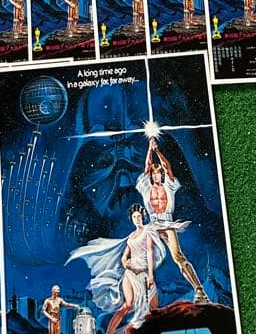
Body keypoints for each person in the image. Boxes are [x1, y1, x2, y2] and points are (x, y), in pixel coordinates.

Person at [68, 206, 165, 334]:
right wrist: (126, 263)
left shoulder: (147, 232)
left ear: (143, 217)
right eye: (134, 217)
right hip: (130, 274)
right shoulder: (131, 236)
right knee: (128, 305)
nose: (137, 219)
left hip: (144, 274)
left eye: (139, 216)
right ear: (131, 219)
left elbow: (150, 251)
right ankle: (110, 332)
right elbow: (124, 256)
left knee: (153, 307)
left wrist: (151, 275)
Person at [135, 137, 208, 302]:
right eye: (153, 174)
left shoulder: (169, 185)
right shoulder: (146, 187)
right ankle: (142, 297)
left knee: (178, 257)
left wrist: (157, 151)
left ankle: (199, 290)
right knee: (142, 258)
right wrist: (149, 149)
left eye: (158, 173)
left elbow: (168, 167)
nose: (155, 176)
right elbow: (147, 166)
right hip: (153, 225)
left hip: (167, 223)